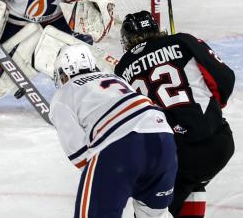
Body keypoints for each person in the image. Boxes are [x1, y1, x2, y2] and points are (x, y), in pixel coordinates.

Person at [114, 11, 235, 218]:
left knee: (151, 210)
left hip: (174, 155)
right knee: (191, 182)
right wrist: (208, 114)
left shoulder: (121, 69)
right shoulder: (183, 41)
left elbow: (126, 122)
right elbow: (225, 78)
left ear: (126, 41)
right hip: (219, 144)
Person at [50, 44, 177, 218]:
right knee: (155, 214)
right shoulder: (117, 79)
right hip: (164, 138)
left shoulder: (64, 94)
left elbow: (80, 155)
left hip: (121, 145)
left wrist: (115, 181)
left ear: (65, 72)